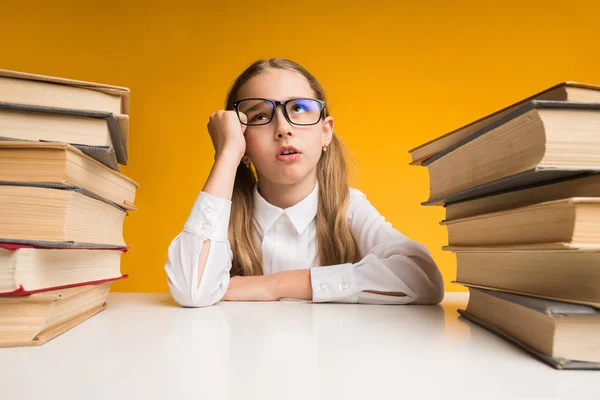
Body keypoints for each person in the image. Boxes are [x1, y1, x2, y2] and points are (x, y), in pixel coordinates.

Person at [164, 58, 444, 307]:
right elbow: (192, 291)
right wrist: (226, 155)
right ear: (242, 143)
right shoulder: (226, 216)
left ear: (325, 133)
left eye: (298, 108)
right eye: (260, 116)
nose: (283, 128)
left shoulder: (347, 207)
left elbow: (423, 277)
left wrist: (275, 285)